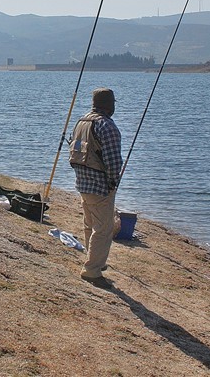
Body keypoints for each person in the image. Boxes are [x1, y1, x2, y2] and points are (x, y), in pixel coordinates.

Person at [69, 88, 123, 290]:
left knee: (89, 224)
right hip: (100, 186)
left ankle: (92, 259)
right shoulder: (107, 126)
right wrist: (113, 181)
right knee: (103, 229)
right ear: (110, 105)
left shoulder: (81, 122)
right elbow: (113, 160)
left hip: (82, 182)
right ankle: (92, 270)